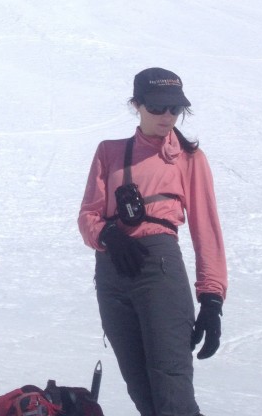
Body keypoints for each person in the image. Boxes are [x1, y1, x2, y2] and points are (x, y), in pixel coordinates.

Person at [77, 68, 226, 416]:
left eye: (174, 109)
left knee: (171, 391)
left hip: (159, 267)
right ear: (137, 105)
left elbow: (207, 231)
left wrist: (212, 299)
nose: (167, 116)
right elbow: (88, 216)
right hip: (112, 272)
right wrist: (108, 234)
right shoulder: (108, 152)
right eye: (157, 108)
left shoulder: (189, 159)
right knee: (142, 391)